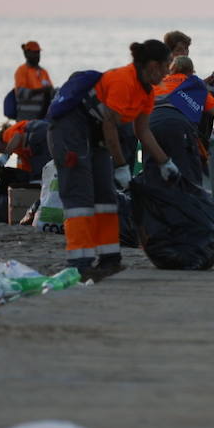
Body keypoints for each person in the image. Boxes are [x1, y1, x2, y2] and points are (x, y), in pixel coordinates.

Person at [47, 40, 178, 276]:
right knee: (80, 194)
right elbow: (110, 126)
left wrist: (165, 163)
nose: (169, 70)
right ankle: (80, 263)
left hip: (95, 130)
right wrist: (120, 166)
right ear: (152, 65)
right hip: (69, 128)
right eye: (166, 65)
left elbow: (143, 131)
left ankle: (109, 258)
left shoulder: (146, 92)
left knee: (106, 195)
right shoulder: (123, 81)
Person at [147, 56, 214, 188]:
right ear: (191, 72)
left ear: (171, 70)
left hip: (149, 127)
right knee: (188, 172)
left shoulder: (157, 82)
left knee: (146, 166)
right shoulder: (195, 86)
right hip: (179, 128)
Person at [14, 40, 55, 120]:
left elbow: (51, 92)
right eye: (34, 53)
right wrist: (41, 90)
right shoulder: (22, 70)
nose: (37, 55)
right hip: (26, 117)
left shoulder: (43, 72)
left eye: (38, 52)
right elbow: (20, 93)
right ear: (26, 54)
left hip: (42, 117)